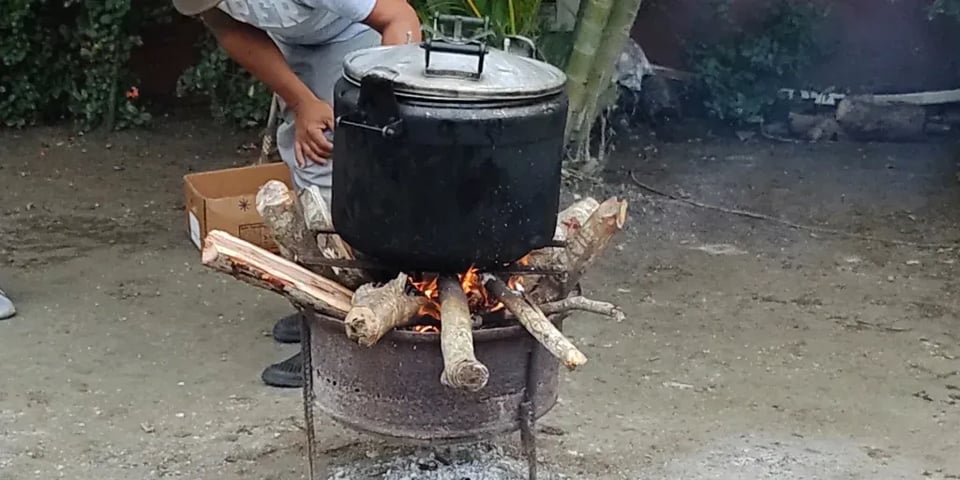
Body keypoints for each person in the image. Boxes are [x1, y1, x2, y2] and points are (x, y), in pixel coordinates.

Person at [172, 0, 422, 388]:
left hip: (363, 37)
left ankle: (354, 328)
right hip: (295, 43)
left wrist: (377, 120)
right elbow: (231, 31)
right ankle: (328, 302)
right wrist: (303, 101)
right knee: (307, 159)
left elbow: (400, 18)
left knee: (347, 170)